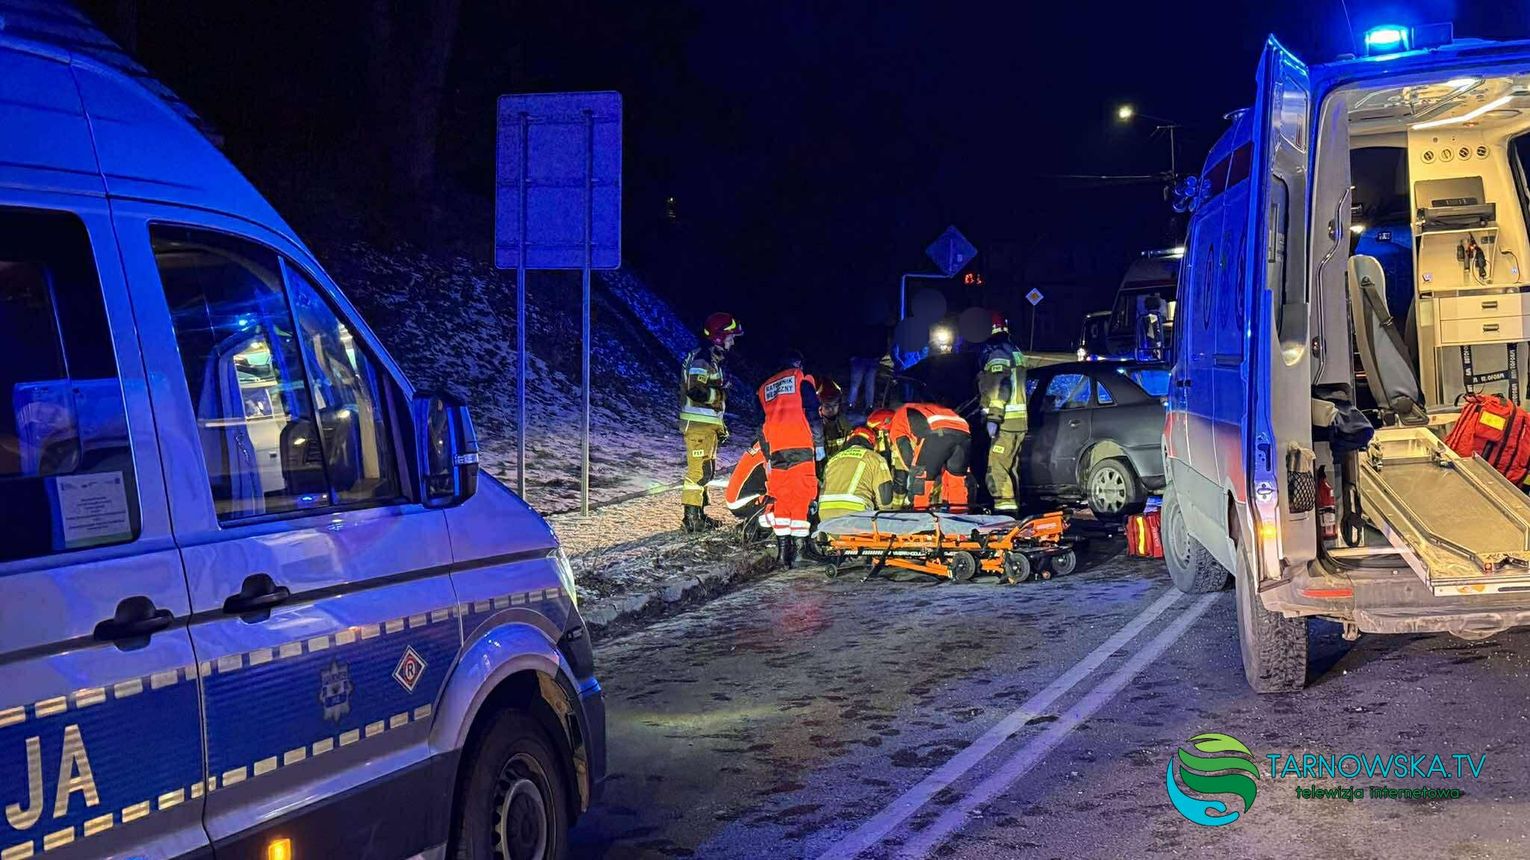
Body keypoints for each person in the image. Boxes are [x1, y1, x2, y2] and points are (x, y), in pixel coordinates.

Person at [758, 350, 825, 567]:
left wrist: (768, 455)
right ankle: (800, 553)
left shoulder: (765, 388)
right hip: (800, 444)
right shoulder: (800, 380)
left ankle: (782, 555)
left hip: (776, 448)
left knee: (782, 497)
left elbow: (761, 426)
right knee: (801, 495)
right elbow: (813, 413)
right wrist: (819, 444)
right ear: (797, 364)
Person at [679, 312, 742, 532]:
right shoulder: (702, 359)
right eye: (730, 337)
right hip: (698, 426)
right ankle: (691, 519)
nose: (732, 342)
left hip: (706, 426)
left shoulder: (711, 359)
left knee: (706, 471)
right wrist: (721, 394)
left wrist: (719, 426)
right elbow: (695, 390)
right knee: (698, 472)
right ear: (718, 337)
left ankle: (699, 514)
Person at [977, 311, 1030, 515]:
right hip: (1019, 422)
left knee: (997, 470)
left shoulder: (997, 354)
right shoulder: (1014, 351)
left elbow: (1001, 387)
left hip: (1005, 422)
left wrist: (993, 417)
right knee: (1010, 469)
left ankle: (1005, 515)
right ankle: (1015, 512)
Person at [888, 402, 971, 512]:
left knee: (922, 481)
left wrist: (914, 472)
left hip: (937, 433)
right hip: (964, 434)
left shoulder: (899, 414)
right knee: (957, 481)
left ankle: (920, 515)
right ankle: (959, 515)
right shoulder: (925, 409)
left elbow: (903, 447)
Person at [818, 426, 895, 520]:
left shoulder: (833, 459)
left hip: (825, 514)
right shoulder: (875, 458)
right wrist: (886, 513)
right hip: (856, 513)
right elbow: (885, 496)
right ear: (871, 443)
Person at [817, 378, 852, 457]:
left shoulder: (845, 425)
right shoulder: (815, 429)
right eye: (827, 406)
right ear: (820, 407)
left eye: (834, 405)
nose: (831, 409)